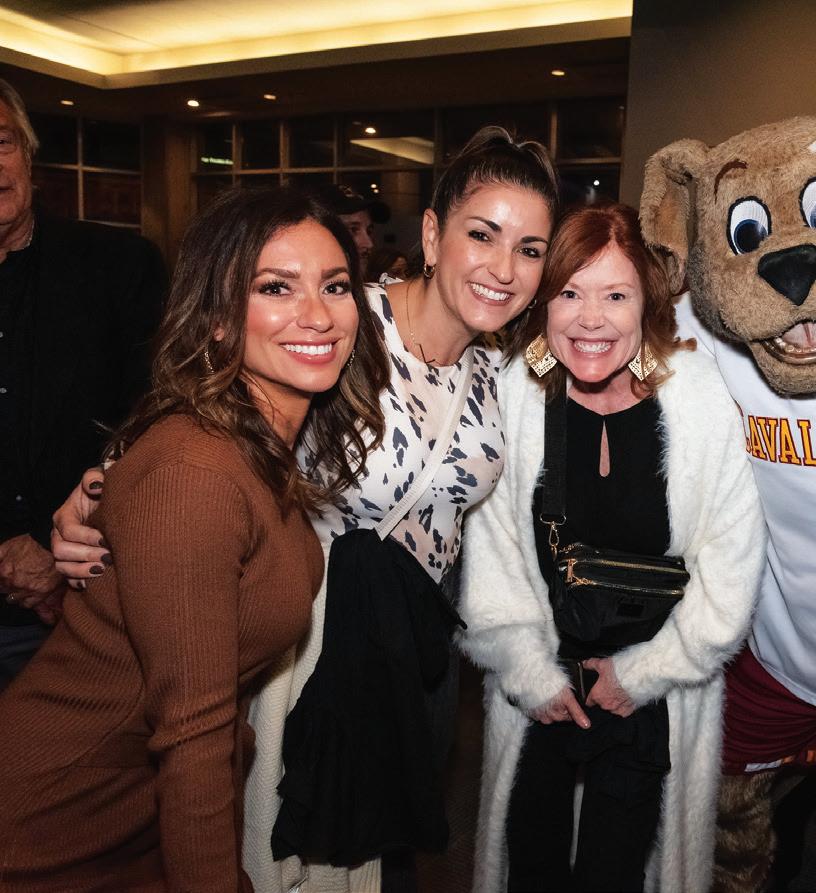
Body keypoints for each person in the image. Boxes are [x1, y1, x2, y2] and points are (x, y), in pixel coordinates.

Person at [50, 127, 560, 892]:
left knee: (373, 862)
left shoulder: (500, 373)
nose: (503, 267)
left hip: (408, 651)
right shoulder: (344, 321)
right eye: (482, 234)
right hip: (297, 643)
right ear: (431, 234)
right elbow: (206, 409)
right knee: (273, 851)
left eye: (529, 248)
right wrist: (103, 485)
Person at [0, 185, 387, 889]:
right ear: (216, 321)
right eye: (276, 287)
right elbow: (192, 739)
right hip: (46, 828)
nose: (317, 313)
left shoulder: (258, 448)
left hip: (132, 820)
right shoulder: (195, 472)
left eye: (335, 285)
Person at [461, 203, 764, 893]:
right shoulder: (516, 391)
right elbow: (492, 551)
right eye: (569, 293)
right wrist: (528, 671)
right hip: (543, 691)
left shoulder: (699, 400)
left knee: (622, 871)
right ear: (543, 301)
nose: (590, 319)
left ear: (647, 303)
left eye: (616, 296)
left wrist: (647, 672)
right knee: (530, 864)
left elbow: (732, 560)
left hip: (653, 695)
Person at [0, 77, 166, 687]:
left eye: (1, 143)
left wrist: (57, 546)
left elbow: (158, 419)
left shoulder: (118, 267)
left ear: (28, 153)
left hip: (89, 605)